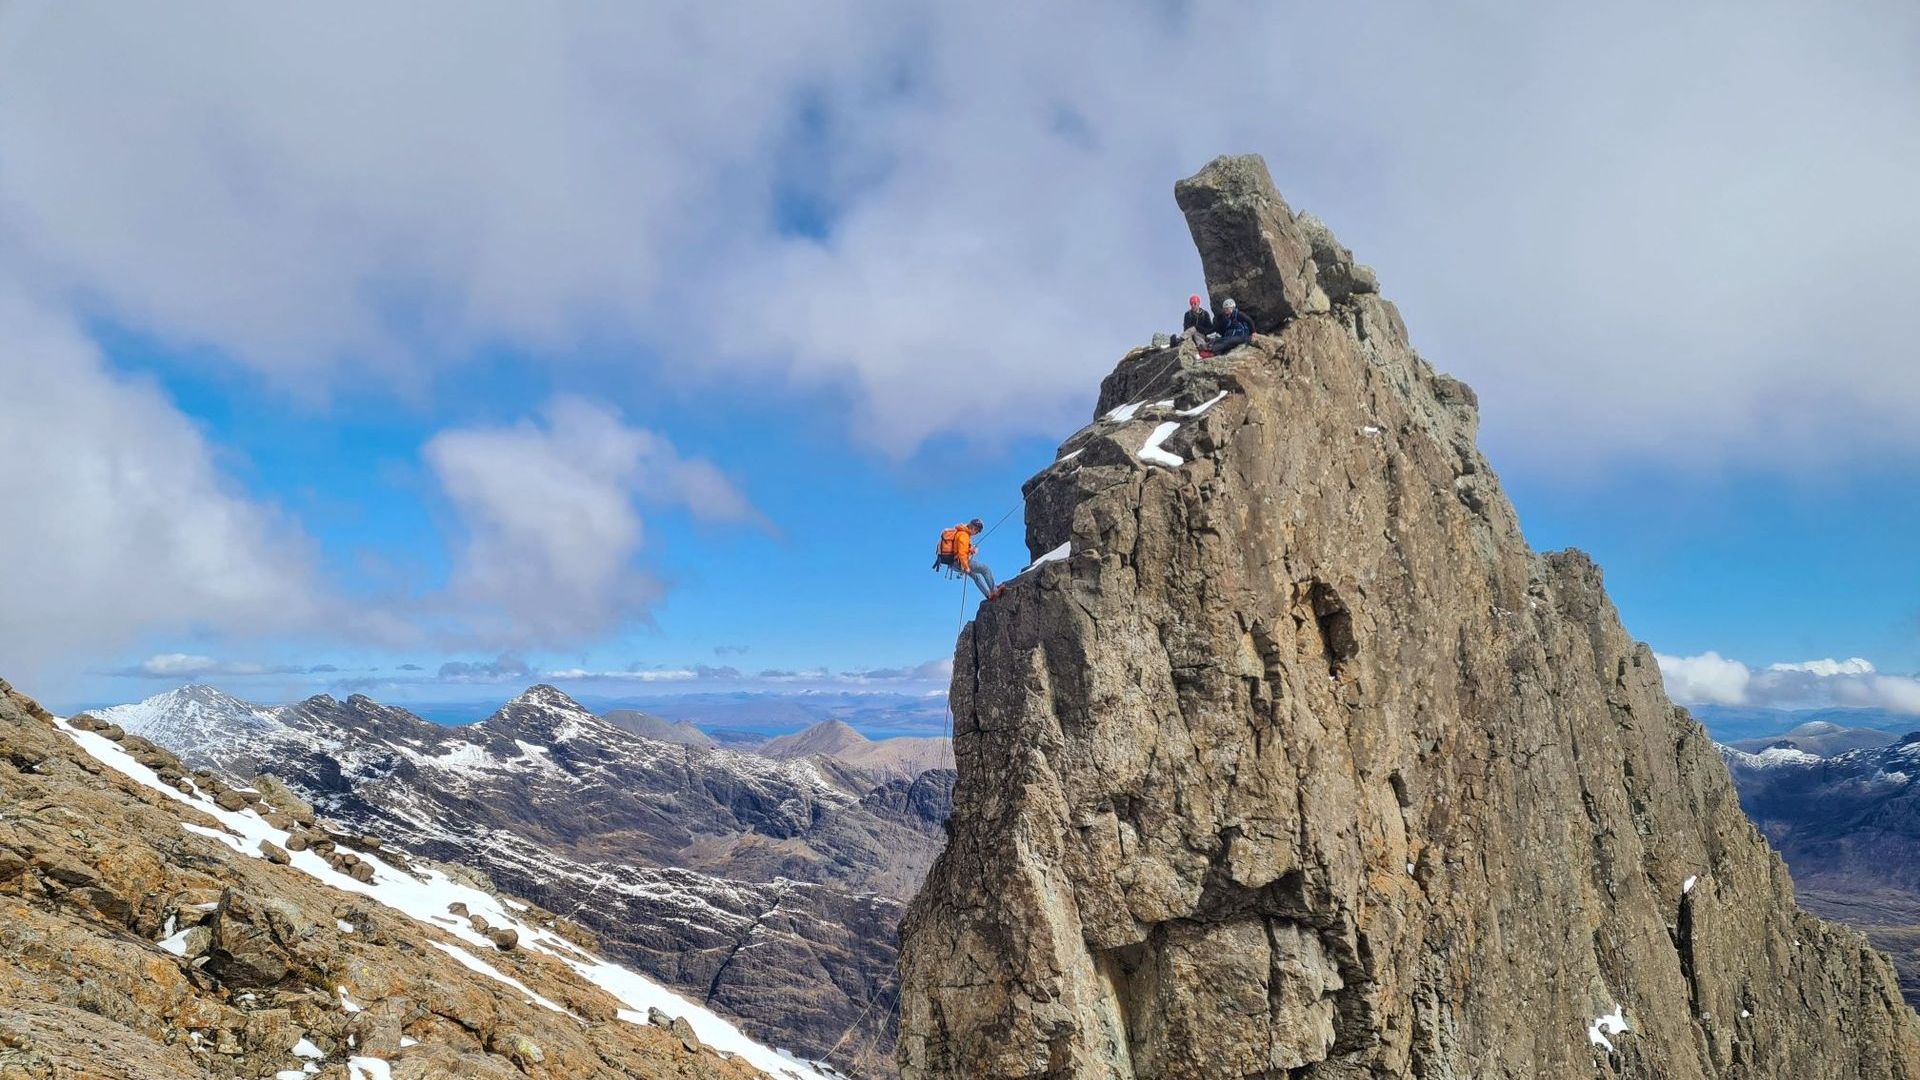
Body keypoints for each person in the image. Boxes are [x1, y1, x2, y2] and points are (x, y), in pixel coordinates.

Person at [933, 518, 1000, 599]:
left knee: (976, 577)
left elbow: (959, 548)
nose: (976, 533)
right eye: (977, 531)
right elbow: (961, 553)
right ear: (973, 528)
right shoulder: (964, 535)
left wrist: (970, 549)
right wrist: (966, 567)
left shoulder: (961, 532)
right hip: (960, 562)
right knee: (985, 569)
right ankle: (994, 591)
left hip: (953, 563)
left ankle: (988, 595)